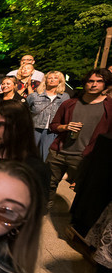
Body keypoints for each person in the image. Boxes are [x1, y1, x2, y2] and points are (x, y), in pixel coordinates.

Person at [47, 68, 112, 207]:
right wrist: (65, 127)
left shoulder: (110, 108)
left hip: (86, 156)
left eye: (99, 81)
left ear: (105, 84)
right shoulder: (69, 104)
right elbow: (53, 125)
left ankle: (75, 219)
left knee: (83, 190)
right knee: (48, 184)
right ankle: (44, 209)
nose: (94, 84)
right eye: (90, 81)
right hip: (59, 152)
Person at [26, 71, 70, 161]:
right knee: (28, 154)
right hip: (35, 128)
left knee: (45, 156)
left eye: (55, 78)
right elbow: (24, 110)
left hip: (52, 131)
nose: (52, 80)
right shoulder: (35, 96)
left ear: (60, 81)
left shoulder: (64, 97)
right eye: (50, 78)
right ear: (45, 80)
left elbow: (66, 114)